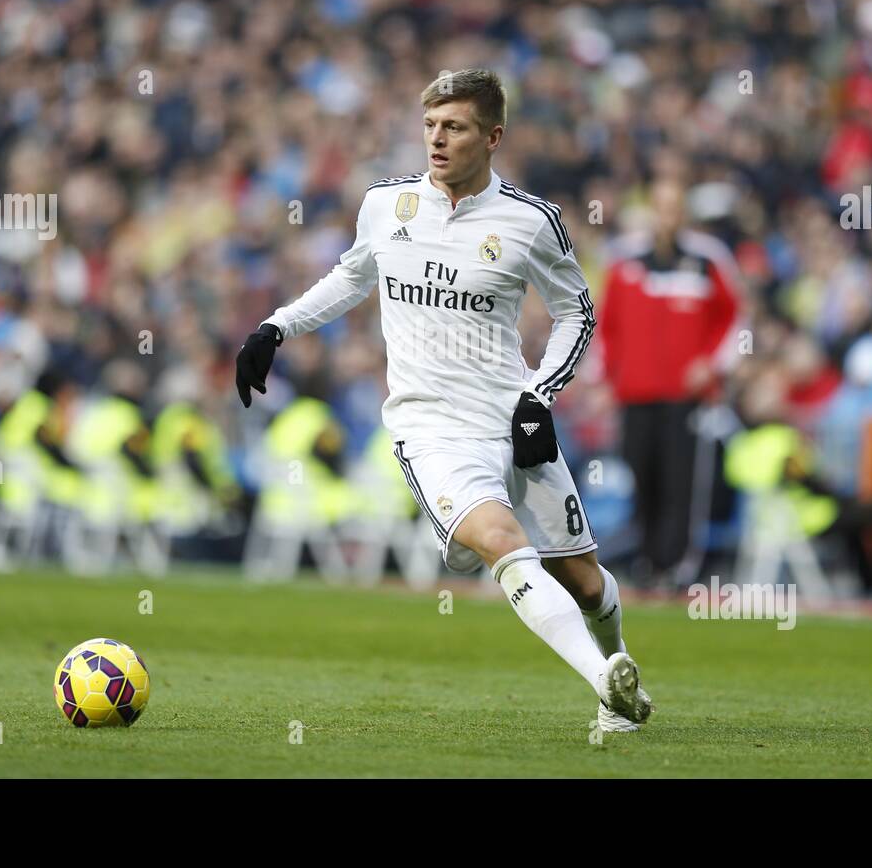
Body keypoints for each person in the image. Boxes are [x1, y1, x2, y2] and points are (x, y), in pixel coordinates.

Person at [235, 68, 653, 730]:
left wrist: (540, 395)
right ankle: (603, 679)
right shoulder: (385, 206)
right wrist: (276, 326)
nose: (436, 139)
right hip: (429, 426)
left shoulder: (532, 222)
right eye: (429, 125)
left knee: (586, 581)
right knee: (499, 539)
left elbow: (577, 312)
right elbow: (351, 278)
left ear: (492, 138)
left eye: (453, 127)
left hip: (514, 420)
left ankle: (622, 688)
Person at [598, 179, 742, 585]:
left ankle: (676, 567)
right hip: (636, 394)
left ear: (684, 213)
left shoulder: (708, 260)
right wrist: (608, 379)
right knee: (641, 476)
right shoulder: (625, 262)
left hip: (687, 396)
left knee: (682, 482)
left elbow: (734, 319)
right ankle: (646, 562)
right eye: (660, 207)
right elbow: (607, 327)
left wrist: (710, 366)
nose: (668, 216)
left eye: (674, 207)